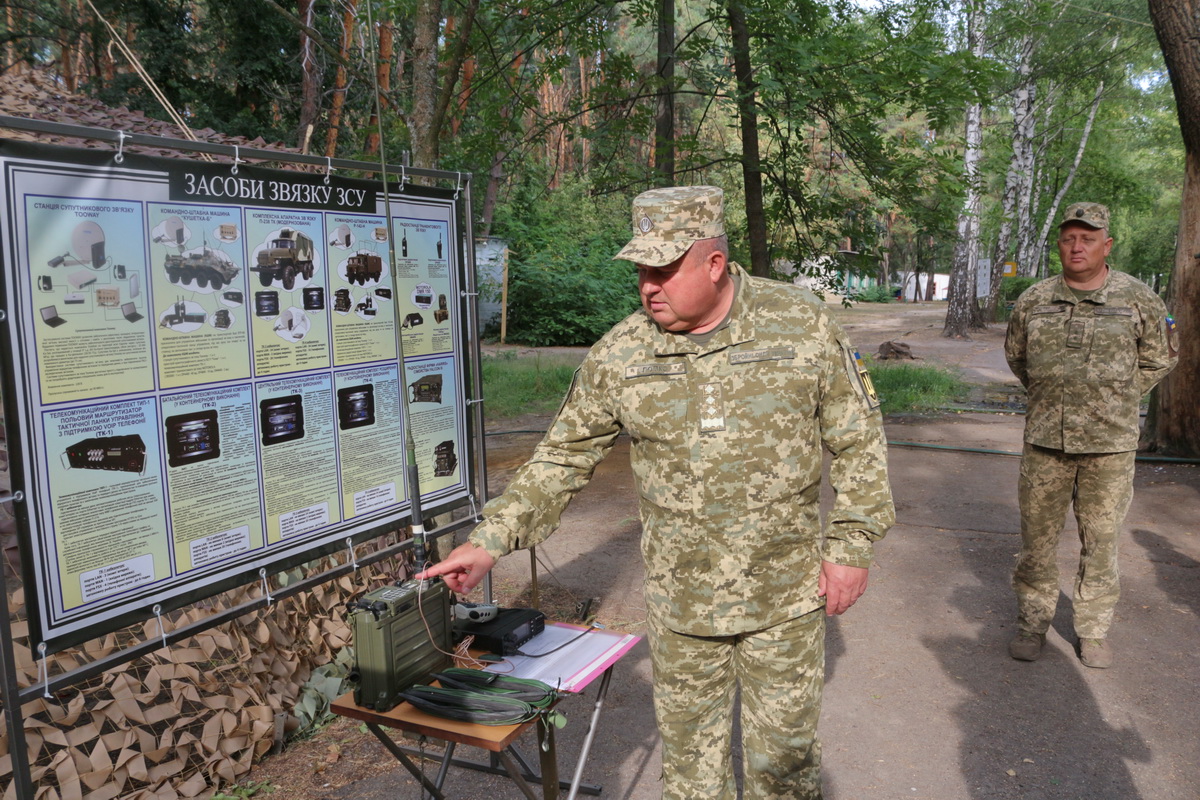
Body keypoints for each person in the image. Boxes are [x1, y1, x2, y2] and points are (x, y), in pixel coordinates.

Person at [419, 185, 893, 798]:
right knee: (693, 779)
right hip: (682, 603)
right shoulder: (623, 352)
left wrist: (850, 547)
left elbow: (859, 440)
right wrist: (489, 542)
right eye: (642, 269)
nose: (648, 285)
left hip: (786, 596)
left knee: (785, 771)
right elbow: (562, 457)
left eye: (663, 268)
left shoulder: (799, 324)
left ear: (714, 263)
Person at [1004, 201, 1178, 669]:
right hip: (1044, 444)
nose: (1077, 246)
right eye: (1069, 238)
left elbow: (1160, 357)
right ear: (1059, 243)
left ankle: (1094, 631)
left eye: (1087, 238)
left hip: (1110, 447)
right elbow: (1018, 358)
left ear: (1107, 244)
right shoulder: (1035, 300)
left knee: (1100, 542)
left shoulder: (1138, 299)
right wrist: (1054, 397)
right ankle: (1032, 622)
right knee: (1036, 541)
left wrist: (1115, 398)